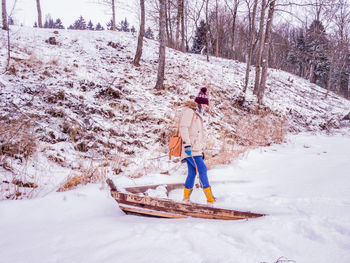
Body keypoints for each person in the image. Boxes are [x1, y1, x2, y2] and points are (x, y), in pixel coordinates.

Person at [179, 87, 215, 203]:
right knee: (202, 170)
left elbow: (196, 134)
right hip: (190, 149)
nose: (206, 107)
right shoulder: (190, 112)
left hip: (195, 149)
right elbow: (183, 128)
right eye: (205, 105)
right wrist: (187, 145)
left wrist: (200, 150)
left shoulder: (197, 114)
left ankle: (185, 198)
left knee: (193, 172)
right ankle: (210, 198)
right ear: (199, 103)